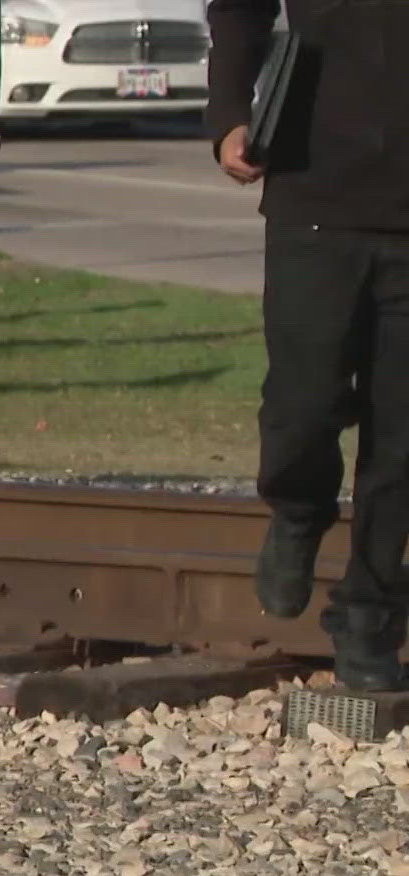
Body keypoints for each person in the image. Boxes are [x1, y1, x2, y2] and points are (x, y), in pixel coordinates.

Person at [209, 0, 409, 690]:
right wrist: (230, 114)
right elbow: (239, 11)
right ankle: (299, 508)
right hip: (313, 196)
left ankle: (369, 620)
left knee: (402, 443)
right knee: (303, 404)